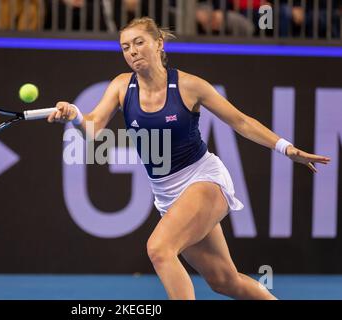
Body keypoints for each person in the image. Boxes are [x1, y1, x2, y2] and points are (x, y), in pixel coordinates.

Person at [46, 17, 330, 300]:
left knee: (159, 249)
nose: (131, 51)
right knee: (224, 281)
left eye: (138, 42)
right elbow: (93, 129)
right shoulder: (122, 86)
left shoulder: (189, 86)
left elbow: (241, 122)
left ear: (158, 43)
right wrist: (75, 117)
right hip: (167, 196)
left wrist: (286, 148)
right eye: (125, 47)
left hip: (203, 180)